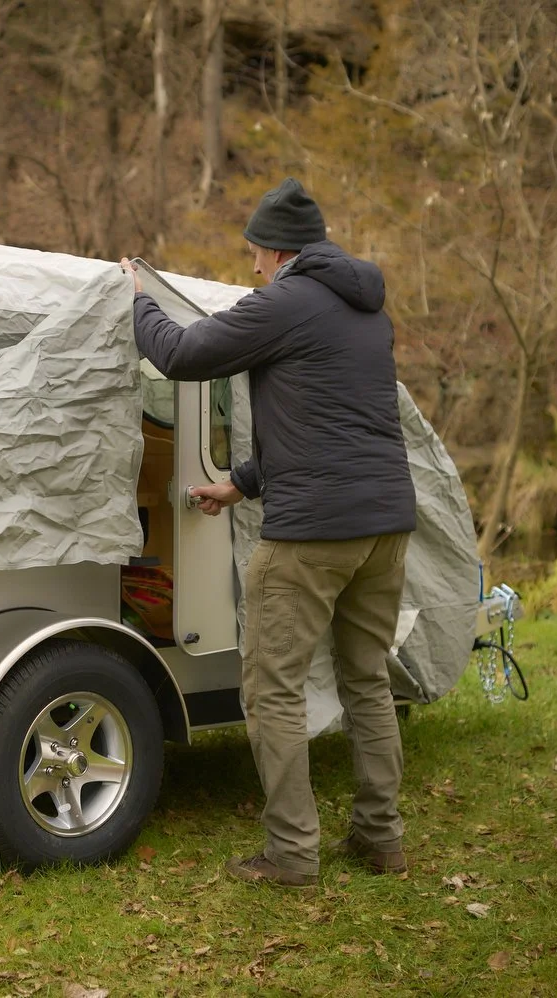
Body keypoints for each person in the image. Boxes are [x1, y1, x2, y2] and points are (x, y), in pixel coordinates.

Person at [119, 177, 417, 888]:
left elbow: (184, 355)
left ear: (279, 252)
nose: (251, 267)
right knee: (368, 680)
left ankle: (291, 855)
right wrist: (243, 483)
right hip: (386, 525)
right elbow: (330, 425)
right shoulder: (367, 310)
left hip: (313, 534)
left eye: (255, 253)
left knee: (273, 689)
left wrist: (137, 300)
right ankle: (381, 838)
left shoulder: (284, 302)